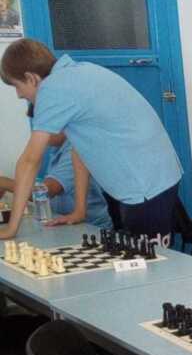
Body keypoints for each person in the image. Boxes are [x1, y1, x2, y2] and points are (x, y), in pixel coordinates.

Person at [0, 38, 182, 242]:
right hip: (152, 176)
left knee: (151, 262)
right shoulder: (78, 71)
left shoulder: (53, 89)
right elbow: (81, 149)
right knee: (138, 258)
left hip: (145, 184)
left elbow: (29, 161)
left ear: (31, 78)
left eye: (17, 86)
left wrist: (11, 229)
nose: (18, 95)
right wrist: (80, 210)